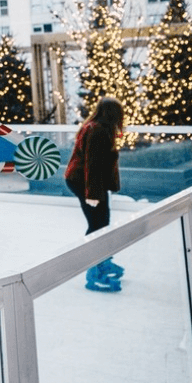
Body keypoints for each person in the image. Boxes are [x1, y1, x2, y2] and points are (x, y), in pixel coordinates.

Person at [64, 96, 125, 293]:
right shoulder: (97, 130)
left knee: (103, 223)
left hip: (88, 182)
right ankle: (93, 271)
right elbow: (93, 165)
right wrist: (92, 194)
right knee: (97, 225)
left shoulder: (96, 127)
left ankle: (102, 262)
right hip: (84, 182)